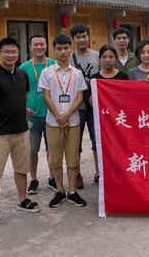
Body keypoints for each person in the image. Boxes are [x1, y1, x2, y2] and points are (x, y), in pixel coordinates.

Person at [0, 37, 41, 226]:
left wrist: (20, 111)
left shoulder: (22, 75)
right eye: (7, 51)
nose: (10, 55)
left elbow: (23, 97)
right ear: (0, 53)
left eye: (14, 51)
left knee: (21, 170)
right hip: (0, 134)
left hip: (21, 131)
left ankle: (23, 200)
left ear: (18, 53)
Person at [38, 34, 88, 208]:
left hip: (73, 121)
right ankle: (60, 190)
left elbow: (80, 97)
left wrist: (67, 115)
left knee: (73, 159)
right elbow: (46, 96)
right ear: (54, 50)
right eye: (59, 48)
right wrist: (59, 116)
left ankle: (72, 191)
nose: (63, 52)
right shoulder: (47, 72)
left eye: (66, 48)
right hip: (53, 122)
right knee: (55, 160)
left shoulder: (77, 73)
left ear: (70, 49)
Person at [19, 35, 57, 195]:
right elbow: (19, 92)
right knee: (32, 150)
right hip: (32, 115)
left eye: (42, 44)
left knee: (52, 149)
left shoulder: (53, 64)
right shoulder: (24, 68)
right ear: (30, 47)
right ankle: (33, 179)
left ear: (46, 46)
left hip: (51, 114)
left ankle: (52, 177)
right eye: (36, 45)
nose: (39, 47)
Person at [69, 24, 100, 189]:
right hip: (77, 107)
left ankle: (98, 171)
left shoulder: (98, 56)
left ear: (89, 37)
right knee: (76, 142)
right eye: (78, 37)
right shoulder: (69, 57)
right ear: (74, 39)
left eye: (84, 36)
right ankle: (77, 174)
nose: (82, 39)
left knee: (98, 141)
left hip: (95, 106)